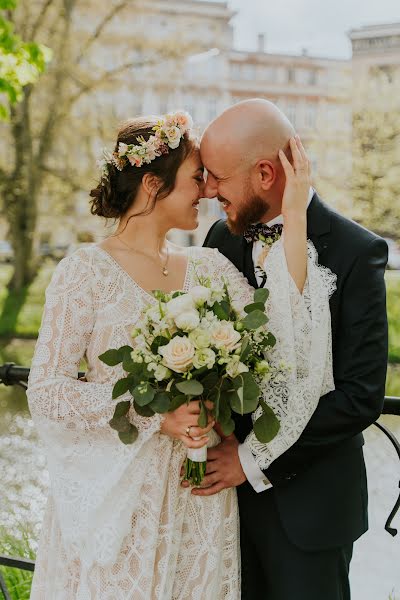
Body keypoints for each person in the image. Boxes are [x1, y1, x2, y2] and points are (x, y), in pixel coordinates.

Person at [27, 110, 335, 599]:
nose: (208, 190)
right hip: (124, 497)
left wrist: (294, 214)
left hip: (199, 500)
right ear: (153, 184)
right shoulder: (83, 272)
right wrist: (150, 412)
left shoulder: (208, 267)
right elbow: (45, 393)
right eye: (197, 178)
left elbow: (285, 325)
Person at [200, 98, 389, 600]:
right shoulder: (221, 239)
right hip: (223, 509)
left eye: (217, 176)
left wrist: (252, 460)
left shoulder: (356, 252)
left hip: (311, 514)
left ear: (265, 173)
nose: (207, 189)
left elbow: (360, 396)